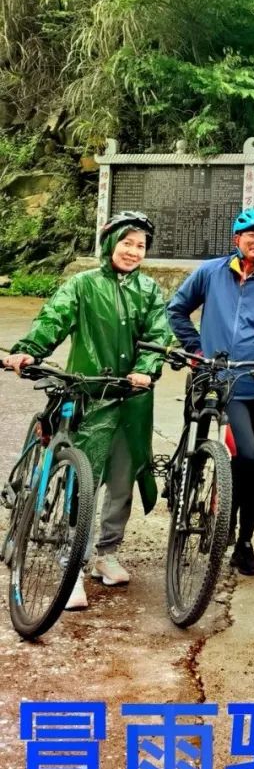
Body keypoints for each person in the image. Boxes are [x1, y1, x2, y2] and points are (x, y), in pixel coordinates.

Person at [2, 211, 171, 611]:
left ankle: (106, 553)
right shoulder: (83, 284)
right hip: (88, 395)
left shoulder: (149, 291)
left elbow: (159, 335)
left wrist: (145, 371)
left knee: (122, 479)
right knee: (83, 482)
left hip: (132, 401)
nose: (133, 251)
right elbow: (54, 319)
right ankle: (70, 565)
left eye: (140, 246)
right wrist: (29, 350)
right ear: (110, 243)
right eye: (127, 243)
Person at [166, 207, 254, 578]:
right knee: (195, 441)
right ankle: (187, 487)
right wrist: (195, 349)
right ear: (236, 240)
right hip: (211, 376)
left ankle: (242, 541)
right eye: (253, 235)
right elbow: (177, 310)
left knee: (253, 460)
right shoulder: (211, 272)